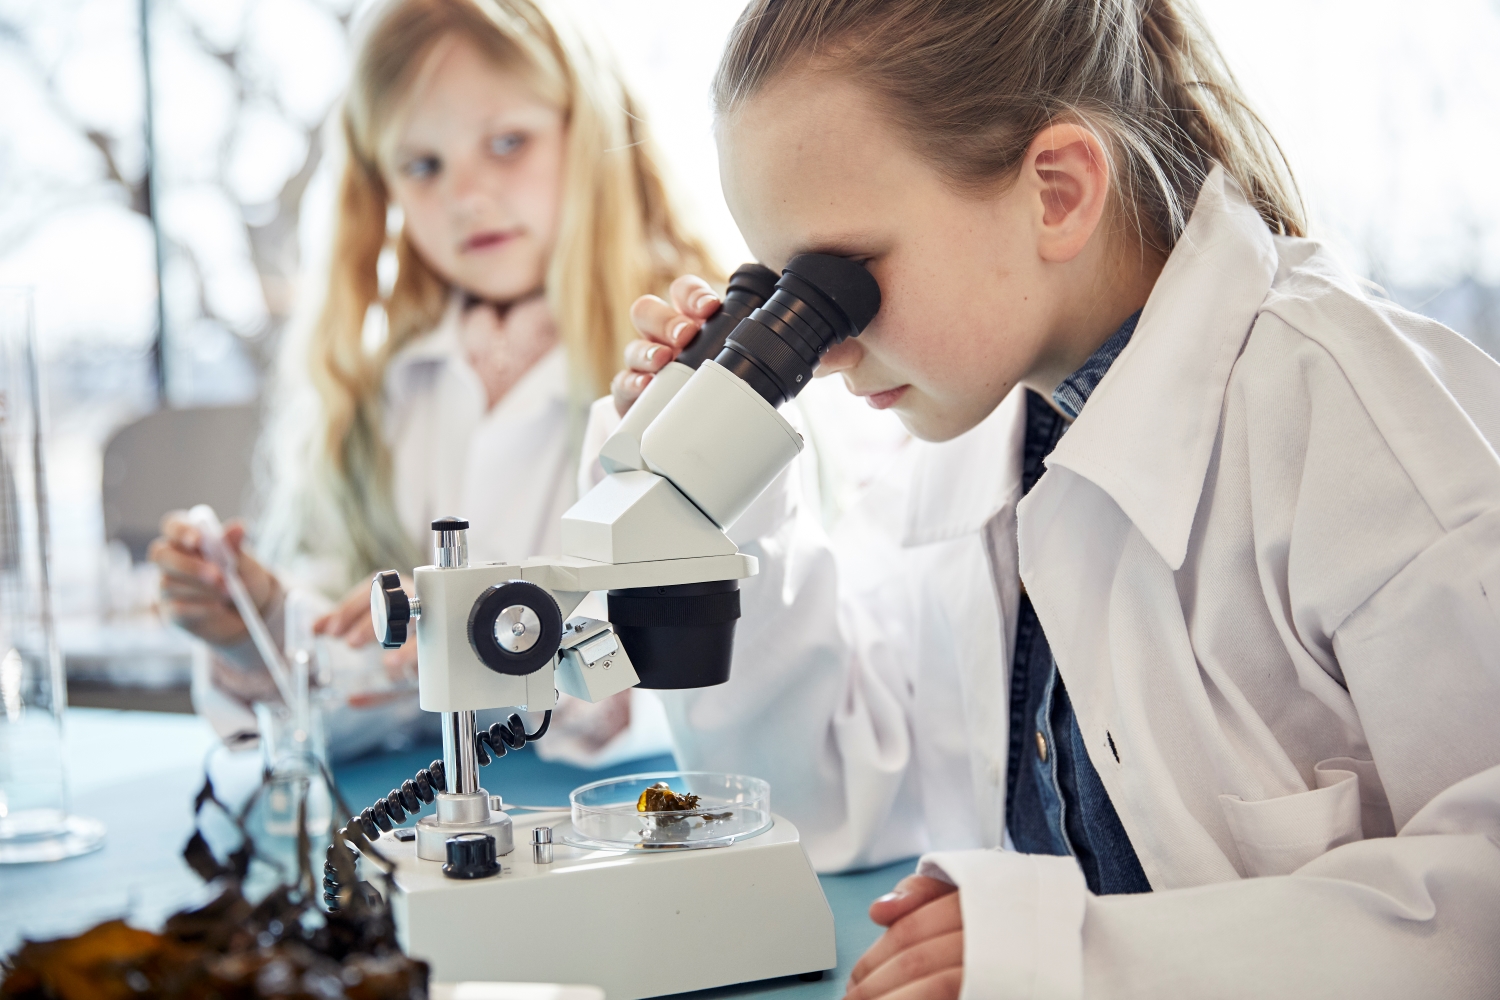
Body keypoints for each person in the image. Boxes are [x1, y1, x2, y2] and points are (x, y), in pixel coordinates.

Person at [608, 0, 1500, 995]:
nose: (828, 348)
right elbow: (822, 797)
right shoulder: (977, 429)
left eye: (844, 279)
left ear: (1059, 193)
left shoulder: (1356, 420)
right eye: (786, 291)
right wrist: (717, 487)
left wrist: (1079, 958)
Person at [149, 0, 718, 760]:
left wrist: (479, 630)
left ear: (591, 135)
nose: (466, 198)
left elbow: (712, 677)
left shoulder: (686, 362)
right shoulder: (371, 397)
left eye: (509, 142)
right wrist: (261, 629)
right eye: (423, 166)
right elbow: (364, 691)